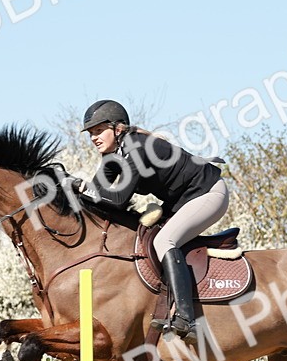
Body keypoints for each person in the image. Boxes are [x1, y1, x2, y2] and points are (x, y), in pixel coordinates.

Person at [73, 99, 229, 340]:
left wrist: (81, 187)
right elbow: (97, 193)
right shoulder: (114, 155)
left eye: (98, 130)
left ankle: (188, 320)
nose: (94, 137)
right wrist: (68, 189)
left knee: (163, 241)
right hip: (182, 201)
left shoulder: (136, 147)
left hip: (207, 193)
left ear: (118, 128)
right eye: (91, 133)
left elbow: (117, 201)